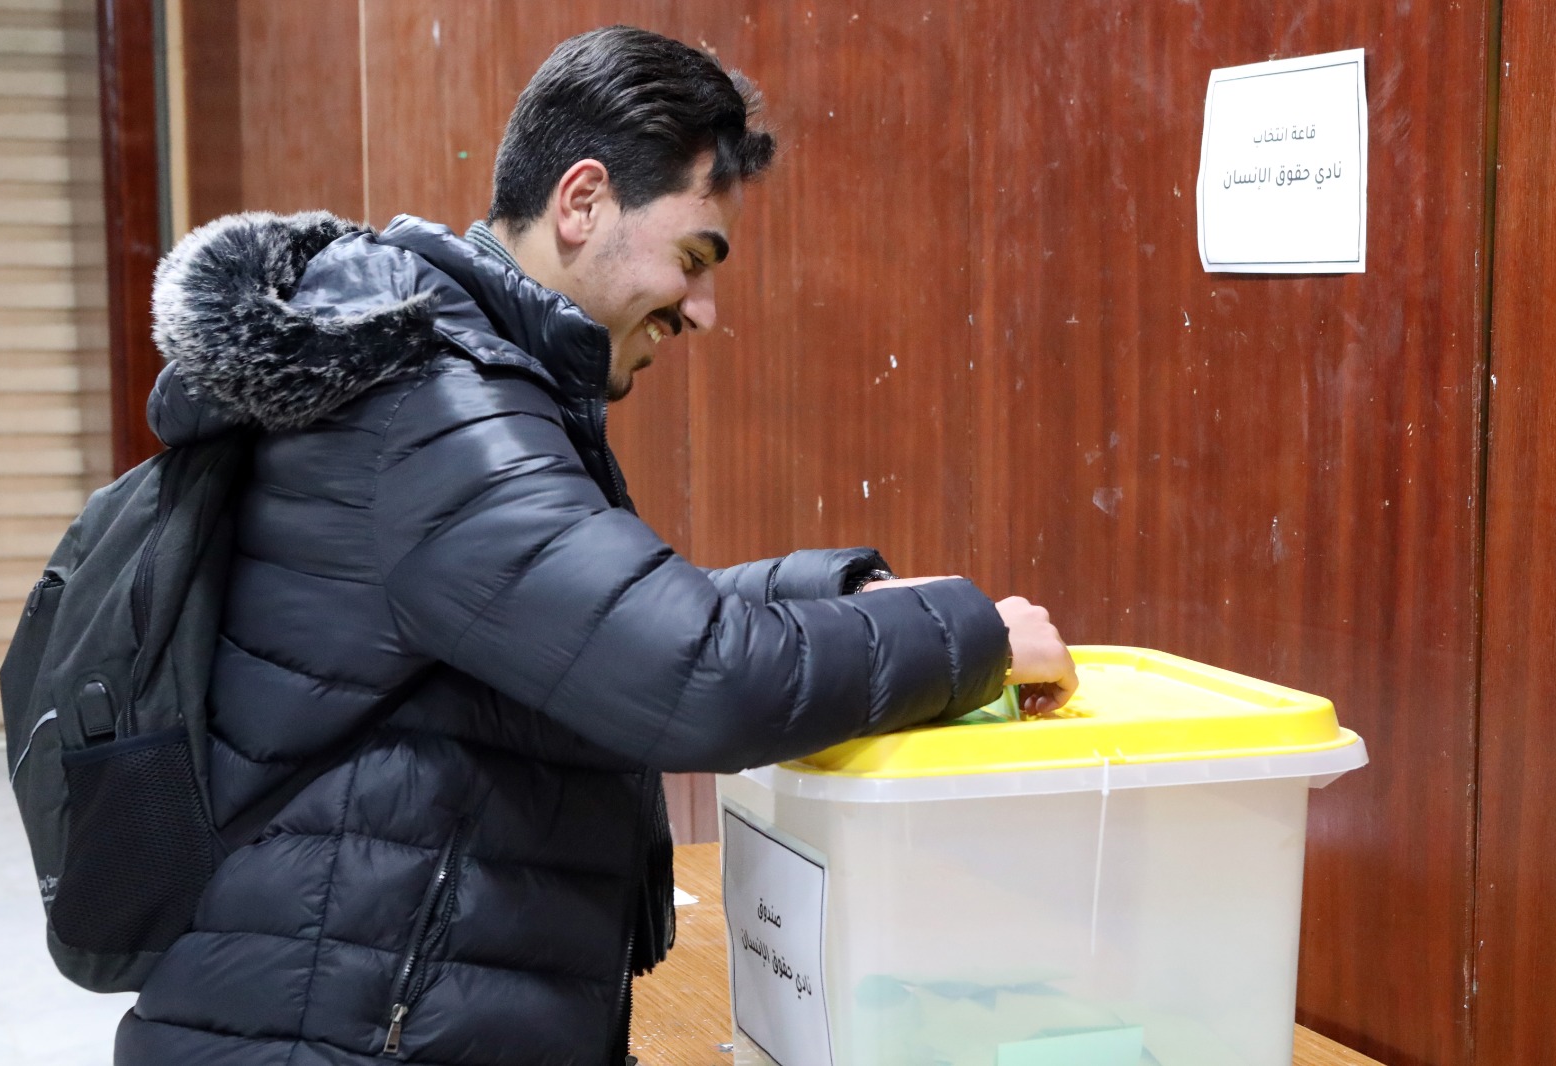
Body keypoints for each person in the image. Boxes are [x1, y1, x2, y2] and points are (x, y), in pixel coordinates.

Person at [114, 25, 1077, 1066]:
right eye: (693, 258)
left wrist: (846, 594)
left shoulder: (451, 377)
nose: (702, 311)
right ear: (582, 201)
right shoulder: (433, 408)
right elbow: (691, 674)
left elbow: (610, 617)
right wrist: (969, 637)